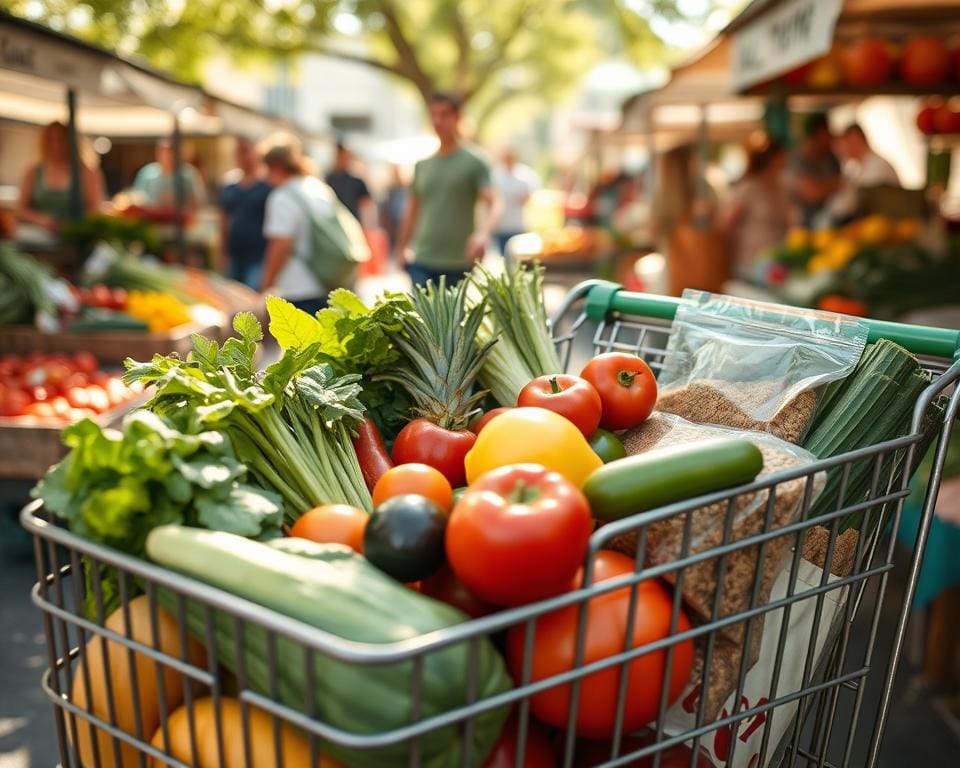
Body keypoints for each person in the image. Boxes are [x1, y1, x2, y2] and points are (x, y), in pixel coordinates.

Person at [397, 91, 501, 287]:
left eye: (444, 115)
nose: (438, 121)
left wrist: (483, 235)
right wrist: (401, 247)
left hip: (459, 263)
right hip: (422, 260)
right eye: (433, 115)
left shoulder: (475, 162)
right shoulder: (422, 165)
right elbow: (412, 210)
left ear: (458, 117)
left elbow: (495, 203)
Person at [260, 133, 338, 315]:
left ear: (276, 166)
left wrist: (266, 284)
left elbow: (281, 244)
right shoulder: (319, 188)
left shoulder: (282, 196)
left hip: (297, 286)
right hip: (327, 281)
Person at [717, 136, 790, 281]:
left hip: (777, 262)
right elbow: (727, 224)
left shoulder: (781, 187)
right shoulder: (748, 188)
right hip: (749, 263)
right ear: (771, 159)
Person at [16, 121, 103, 234]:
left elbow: (95, 210)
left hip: (75, 234)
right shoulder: (33, 171)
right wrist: (40, 220)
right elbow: (20, 209)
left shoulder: (87, 173)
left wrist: (72, 225)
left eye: (61, 140)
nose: (56, 145)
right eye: (50, 140)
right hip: (39, 234)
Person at [219, 137, 271, 289]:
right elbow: (224, 220)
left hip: (258, 256)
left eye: (246, 151)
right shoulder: (230, 185)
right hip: (235, 254)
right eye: (238, 152)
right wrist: (222, 253)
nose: (242, 157)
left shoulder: (267, 184)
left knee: (251, 296)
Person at [829, 123, 901, 222]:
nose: (842, 148)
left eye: (845, 142)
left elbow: (858, 203)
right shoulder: (856, 169)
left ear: (855, 139)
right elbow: (839, 207)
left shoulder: (878, 166)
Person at [790, 113, 841, 228]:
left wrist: (823, 187)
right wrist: (834, 185)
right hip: (807, 225)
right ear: (816, 134)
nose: (830, 137)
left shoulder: (831, 158)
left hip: (833, 221)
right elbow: (812, 194)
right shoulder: (799, 161)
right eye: (826, 133)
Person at [132, 140, 206, 212]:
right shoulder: (146, 173)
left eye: (171, 151)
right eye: (163, 151)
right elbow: (137, 199)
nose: (167, 155)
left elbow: (198, 201)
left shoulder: (189, 174)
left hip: (180, 218)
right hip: (151, 218)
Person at [493, 149, 539, 260]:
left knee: (518, 258)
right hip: (501, 225)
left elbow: (530, 197)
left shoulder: (525, 175)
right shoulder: (496, 175)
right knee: (503, 258)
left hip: (518, 225)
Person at [326, 142, 376, 228]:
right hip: (335, 223)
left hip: (353, 224)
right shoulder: (329, 178)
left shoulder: (356, 180)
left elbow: (367, 203)